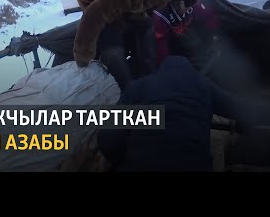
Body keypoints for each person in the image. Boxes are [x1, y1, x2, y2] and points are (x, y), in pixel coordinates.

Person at [97, 55, 252, 172]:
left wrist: (121, 160)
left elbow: (107, 139)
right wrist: (243, 125)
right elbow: (244, 110)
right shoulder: (203, 86)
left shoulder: (138, 87)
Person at [73, 0, 198, 90]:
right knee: (113, 49)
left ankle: (149, 77)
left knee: (148, 29)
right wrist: (82, 56)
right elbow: (93, 16)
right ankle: (129, 89)